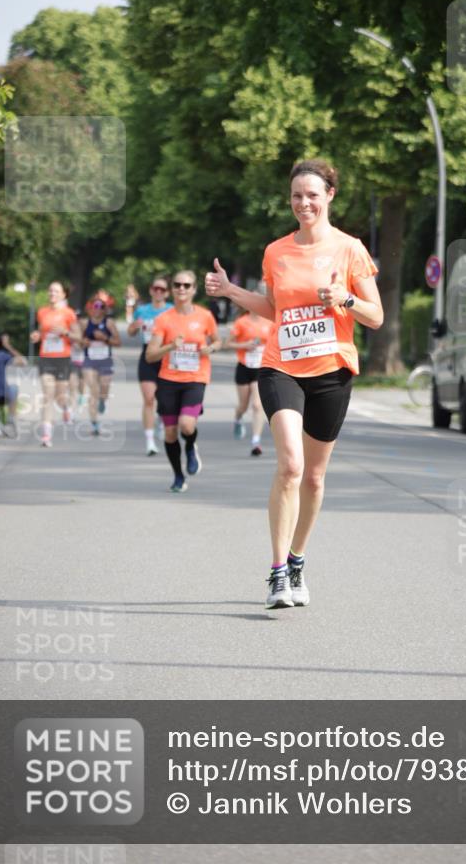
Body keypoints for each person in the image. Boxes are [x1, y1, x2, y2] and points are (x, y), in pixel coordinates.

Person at [205, 158, 383, 609]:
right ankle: (278, 572)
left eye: (312, 195)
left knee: (316, 478)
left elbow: (375, 316)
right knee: (290, 466)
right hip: (280, 365)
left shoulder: (350, 249)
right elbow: (273, 310)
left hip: (332, 370)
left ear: (329, 197)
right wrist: (230, 292)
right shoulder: (276, 251)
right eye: (296, 196)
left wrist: (344, 297)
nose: (303, 203)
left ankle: (298, 558)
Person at [146, 270, 221, 492]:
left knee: (186, 426)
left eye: (186, 285)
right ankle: (178, 475)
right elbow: (150, 355)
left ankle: (190, 446)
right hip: (169, 379)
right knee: (170, 433)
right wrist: (170, 346)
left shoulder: (205, 316)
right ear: (172, 289)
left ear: (194, 289)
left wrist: (210, 348)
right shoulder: (164, 319)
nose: (181, 289)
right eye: (177, 285)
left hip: (196, 378)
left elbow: (218, 341)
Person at [30, 281, 81, 447]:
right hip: (46, 357)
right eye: (50, 290)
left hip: (63, 359)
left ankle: (66, 408)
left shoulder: (69, 313)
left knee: (60, 397)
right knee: (47, 395)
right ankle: (46, 435)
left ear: (63, 295)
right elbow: (40, 331)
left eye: (56, 291)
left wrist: (65, 332)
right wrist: (37, 336)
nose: (52, 293)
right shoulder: (42, 312)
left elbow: (78, 337)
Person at [127, 276, 172, 456]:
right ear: (151, 290)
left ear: (167, 293)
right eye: (156, 288)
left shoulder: (171, 311)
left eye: (162, 289)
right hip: (147, 356)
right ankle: (150, 441)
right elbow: (130, 332)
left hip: (167, 357)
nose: (158, 292)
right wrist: (135, 326)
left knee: (165, 400)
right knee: (148, 399)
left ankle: (161, 420)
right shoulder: (142, 310)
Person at [224, 301, 273, 456]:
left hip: (261, 367)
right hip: (244, 367)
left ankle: (256, 441)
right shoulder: (241, 322)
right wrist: (245, 345)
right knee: (243, 406)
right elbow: (227, 344)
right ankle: (238, 417)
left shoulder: (270, 321)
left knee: (258, 405)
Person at [80, 293, 121, 436]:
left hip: (105, 360)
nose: (97, 309)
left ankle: (103, 400)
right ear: (90, 308)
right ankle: (94, 424)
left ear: (105, 309)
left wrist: (105, 338)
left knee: (104, 387)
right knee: (93, 391)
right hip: (89, 360)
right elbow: (78, 342)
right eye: (95, 306)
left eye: (101, 306)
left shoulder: (109, 323)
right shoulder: (85, 323)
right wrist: (82, 343)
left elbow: (118, 342)